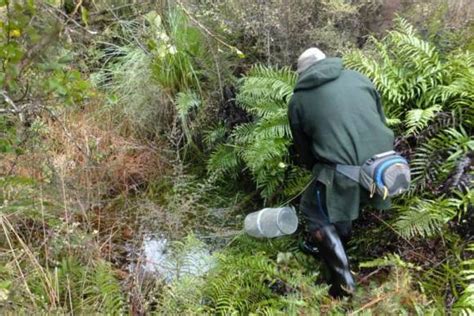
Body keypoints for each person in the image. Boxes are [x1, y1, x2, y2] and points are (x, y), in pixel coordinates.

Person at [288, 47, 395, 297]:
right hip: (384, 166)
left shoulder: (298, 101)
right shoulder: (359, 78)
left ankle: (343, 284)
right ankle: (338, 244)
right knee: (333, 200)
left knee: (313, 213)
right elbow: (381, 120)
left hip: (347, 170)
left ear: (301, 73)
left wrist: (316, 169)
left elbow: (305, 152)